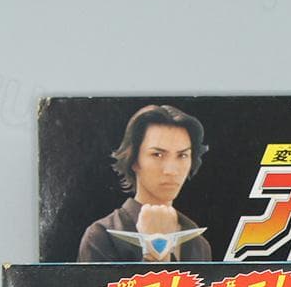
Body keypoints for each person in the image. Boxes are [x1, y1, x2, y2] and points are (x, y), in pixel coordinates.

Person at [77, 104, 213, 263]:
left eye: (182, 155)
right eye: (157, 154)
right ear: (134, 160)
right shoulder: (101, 236)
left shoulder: (198, 243)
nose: (171, 170)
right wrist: (155, 250)